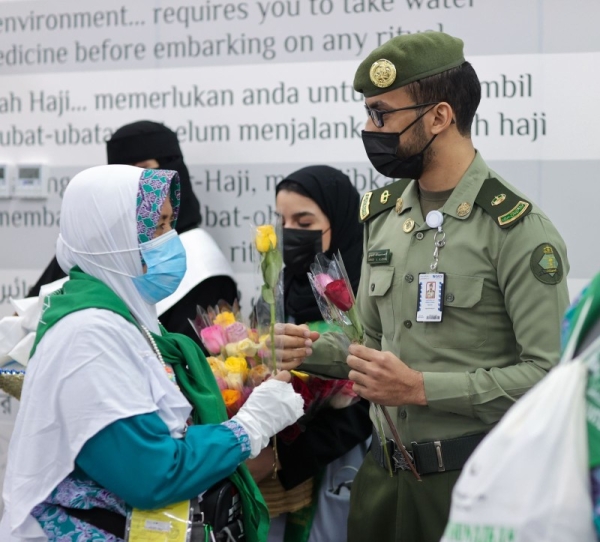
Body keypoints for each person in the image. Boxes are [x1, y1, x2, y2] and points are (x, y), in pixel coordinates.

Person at [276, 31, 570, 542]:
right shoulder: (385, 216)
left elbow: (549, 378)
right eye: (369, 114)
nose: (370, 129)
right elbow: (369, 341)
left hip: (475, 487)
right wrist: (306, 348)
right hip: (381, 484)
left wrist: (420, 389)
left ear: (438, 117)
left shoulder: (517, 229)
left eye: (382, 114)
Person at [0, 165, 304, 541]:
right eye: (156, 227)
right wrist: (248, 427)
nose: (170, 241)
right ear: (110, 236)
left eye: (168, 225)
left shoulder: (124, 317)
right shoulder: (89, 337)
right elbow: (149, 473)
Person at [27, 121, 237, 348]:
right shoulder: (87, 249)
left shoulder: (199, 262)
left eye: (143, 170)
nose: (135, 186)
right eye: (122, 176)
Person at [247, 166, 372, 542]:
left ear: (339, 219)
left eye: (304, 220)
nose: (290, 232)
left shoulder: (366, 287)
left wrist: (292, 456)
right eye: (282, 220)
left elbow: (370, 399)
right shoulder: (279, 286)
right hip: (277, 473)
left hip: (343, 462)